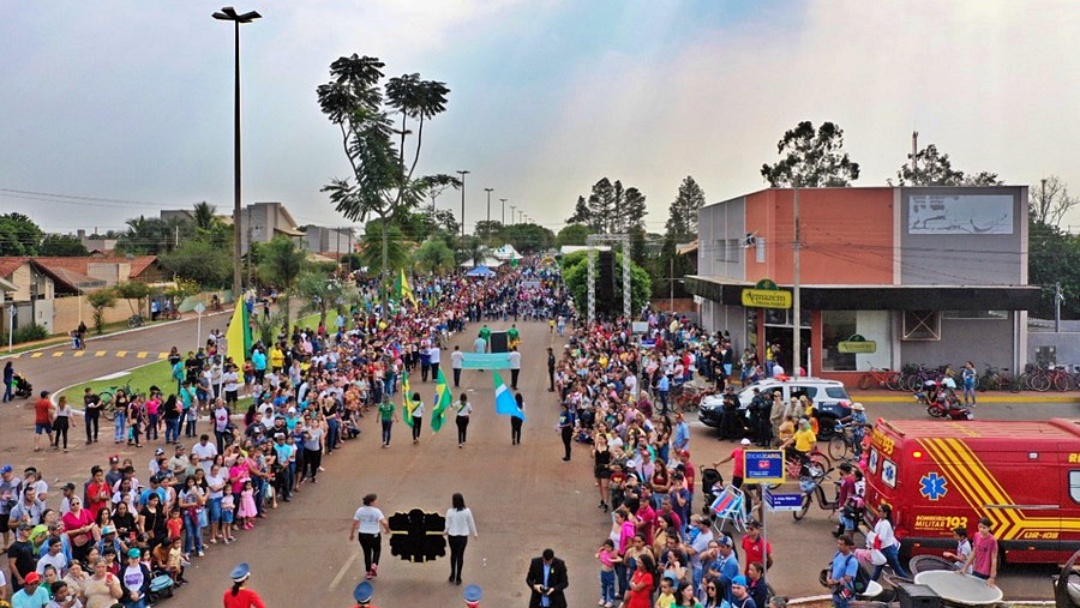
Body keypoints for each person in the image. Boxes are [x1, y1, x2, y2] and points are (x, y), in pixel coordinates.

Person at [350, 493, 390, 580]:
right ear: (371, 502)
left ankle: (368, 572)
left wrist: (352, 534)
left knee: (367, 552)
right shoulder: (376, 511)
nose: (377, 501)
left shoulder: (360, 510)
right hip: (374, 534)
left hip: (363, 534)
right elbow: (384, 522)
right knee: (377, 550)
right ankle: (374, 564)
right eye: (375, 500)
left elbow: (354, 523)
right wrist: (387, 530)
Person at [444, 493, 479, 585]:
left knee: (453, 555)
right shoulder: (467, 511)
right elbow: (471, 523)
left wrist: (445, 531)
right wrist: (475, 533)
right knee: (460, 556)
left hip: (452, 536)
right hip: (462, 536)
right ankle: (458, 577)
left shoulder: (450, 512)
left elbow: (447, 524)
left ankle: (452, 574)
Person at [870, 504, 909, 580]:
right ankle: (871, 584)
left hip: (887, 550)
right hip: (885, 549)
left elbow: (882, 537)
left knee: (897, 570)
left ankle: (909, 583)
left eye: (879, 511)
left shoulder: (885, 524)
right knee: (878, 570)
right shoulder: (881, 521)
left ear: (885, 513)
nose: (878, 512)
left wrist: (872, 537)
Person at [957, 517, 998, 587]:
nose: (981, 530)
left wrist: (992, 577)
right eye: (979, 527)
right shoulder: (976, 535)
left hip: (986, 572)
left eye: (984, 528)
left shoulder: (992, 540)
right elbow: (973, 553)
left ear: (989, 528)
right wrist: (964, 568)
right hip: (976, 569)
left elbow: (994, 559)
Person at [827, 536, 859, 608]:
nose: (838, 546)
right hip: (835, 590)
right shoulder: (837, 554)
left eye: (841, 544)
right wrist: (828, 578)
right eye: (838, 543)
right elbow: (832, 567)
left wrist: (833, 582)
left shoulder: (852, 561)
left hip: (845, 592)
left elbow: (848, 578)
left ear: (848, 546)